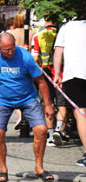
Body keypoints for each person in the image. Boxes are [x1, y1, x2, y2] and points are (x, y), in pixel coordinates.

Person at [0, 32, 54, 182]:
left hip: (28, 98)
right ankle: (3, 169)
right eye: (6, 50)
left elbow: (41, 81)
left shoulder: (24, 56)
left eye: (12, 48)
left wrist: (48, 104)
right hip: (2, 100)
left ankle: (39, 167)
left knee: (42, 130)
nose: (10, 52)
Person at [54, 15, 86, 166]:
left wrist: (56, 74)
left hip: (74, 75)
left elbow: (58, 51)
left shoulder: (66, 28)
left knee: (80, 113)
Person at [31, 18, 68, 146]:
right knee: (62, 104)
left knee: (48, 103)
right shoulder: (63, 34)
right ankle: (59, 129)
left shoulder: (38, 35)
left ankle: (50, 135)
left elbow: (35, 57)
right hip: (62, 74)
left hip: (45, 74)